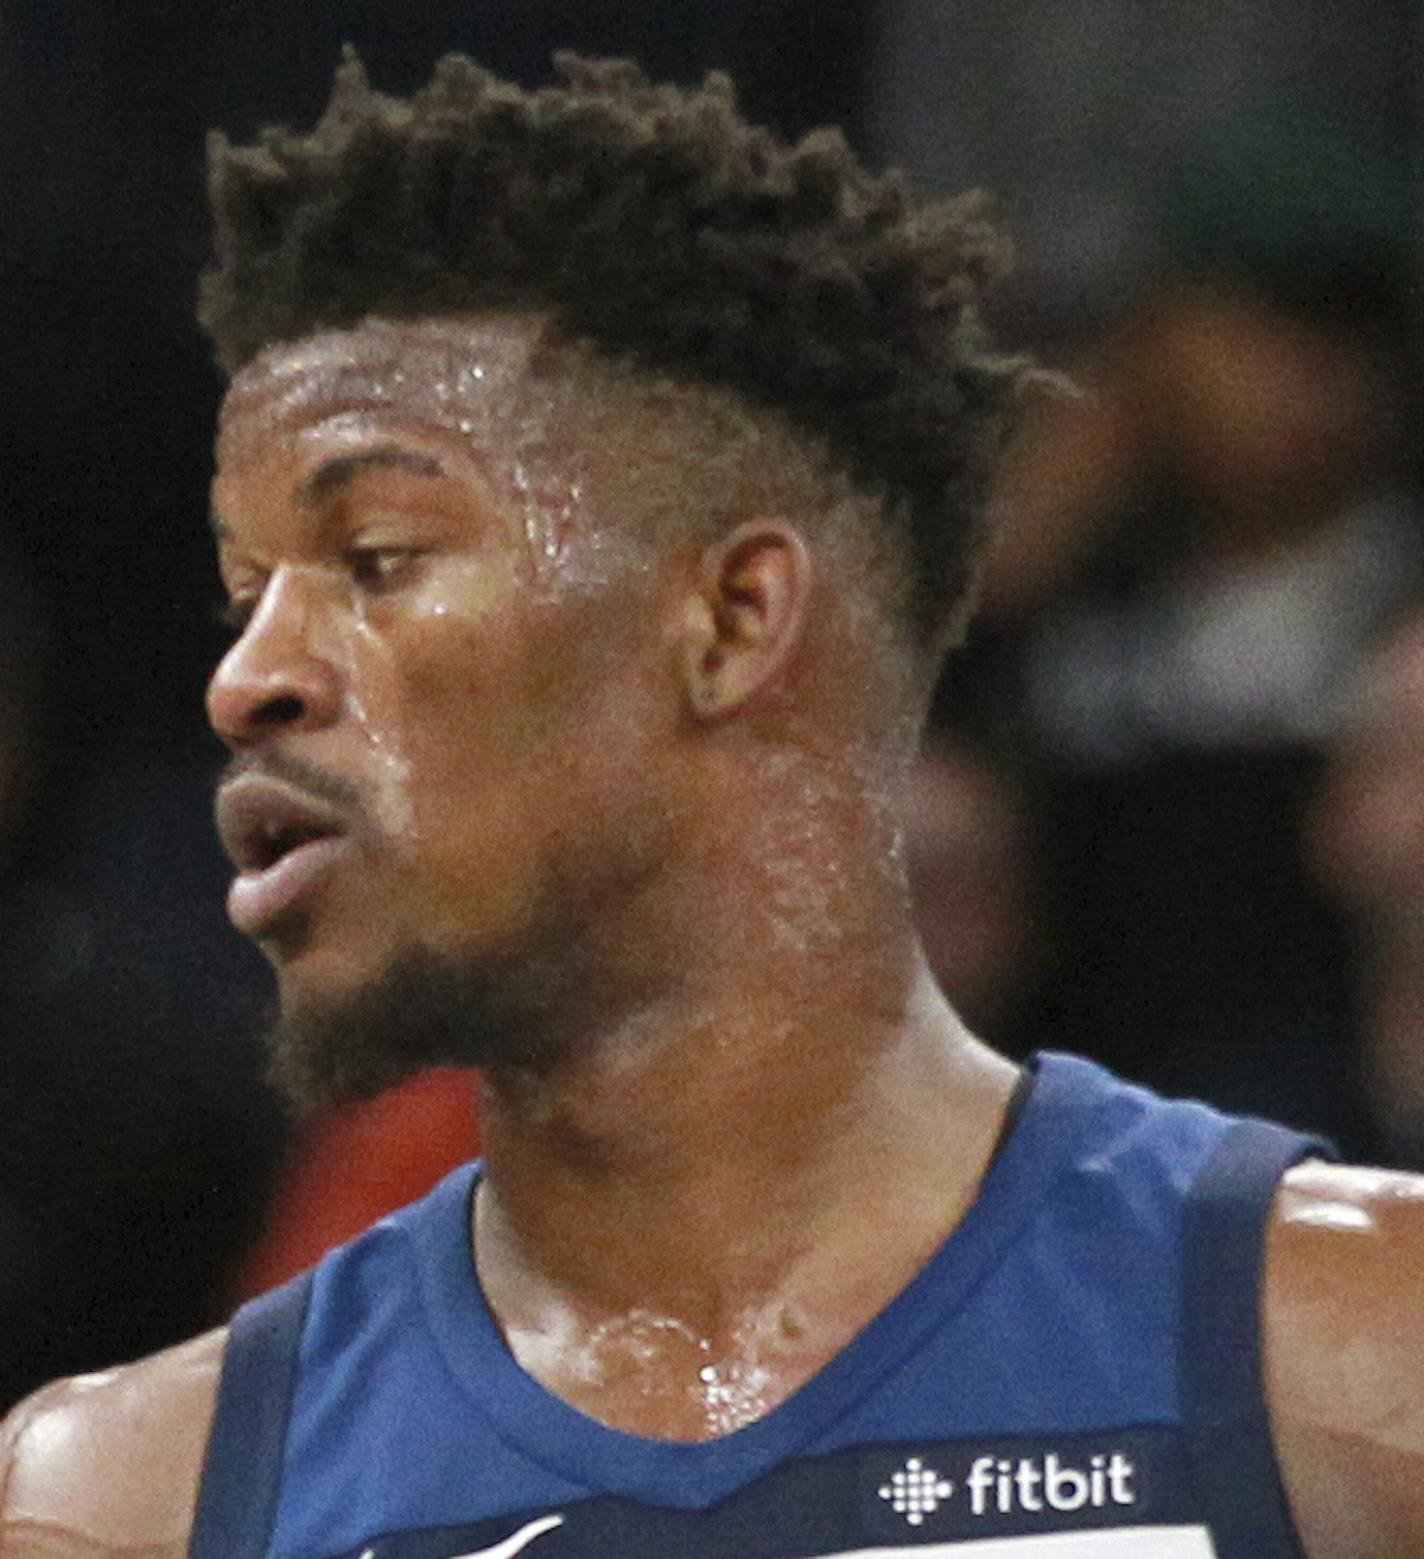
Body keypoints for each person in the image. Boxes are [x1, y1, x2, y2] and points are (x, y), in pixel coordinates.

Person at [1, 50, 1420, 1559]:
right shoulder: (116, 1499)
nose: (249, 678)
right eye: (243, 595)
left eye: (377, 561)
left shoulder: (1354, 1359)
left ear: (735, 620)